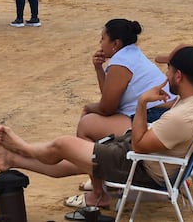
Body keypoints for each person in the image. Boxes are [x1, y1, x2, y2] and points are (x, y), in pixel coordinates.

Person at [0, 45, 193, 212]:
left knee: (64, 144)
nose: (165, 76)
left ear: (179, 76)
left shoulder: (180, 118)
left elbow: (139, 145)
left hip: (141, 168)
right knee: (75, 156)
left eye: (169, 71)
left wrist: (142, 102)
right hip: (153, 157)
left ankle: (21, 147)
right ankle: (11, 161)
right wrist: (175, 57)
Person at [66, 19, 173, 205]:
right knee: (95, 119)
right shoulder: (131, 54)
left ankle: (99, 194)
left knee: (86, 125)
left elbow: (107, 108)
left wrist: (88, 108)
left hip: (151, 121)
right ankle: (103, 178)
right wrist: (99, 69)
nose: (100, 43)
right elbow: (109, 97)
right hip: (160, 117)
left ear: (115, 43)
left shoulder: (120, 63)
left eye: (103, 39)